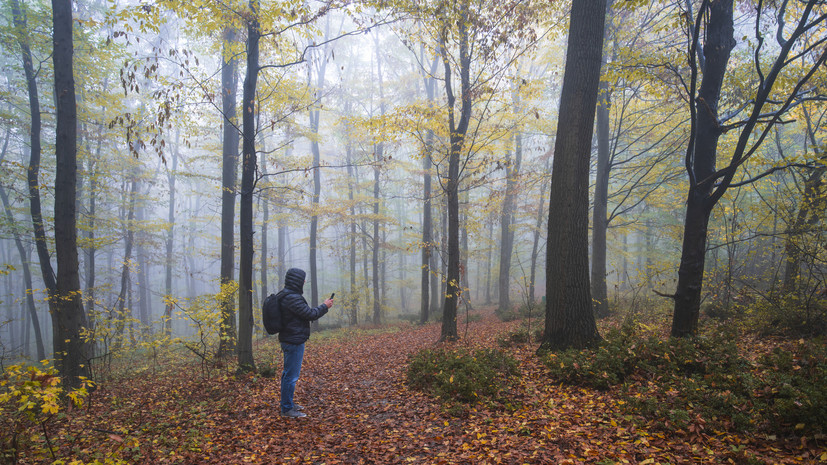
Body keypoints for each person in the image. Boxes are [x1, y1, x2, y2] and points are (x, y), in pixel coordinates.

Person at [277, 267, 333, 418]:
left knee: (287, 375)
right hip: (293, 341)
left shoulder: (285, 295)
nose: (305, 282)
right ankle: (287, 409)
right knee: (291, 376)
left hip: (289, 339)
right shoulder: (292, 298)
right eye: (303, 279)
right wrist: (325, 306)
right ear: (298, 281)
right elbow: (310, 314)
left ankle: (287, 403)